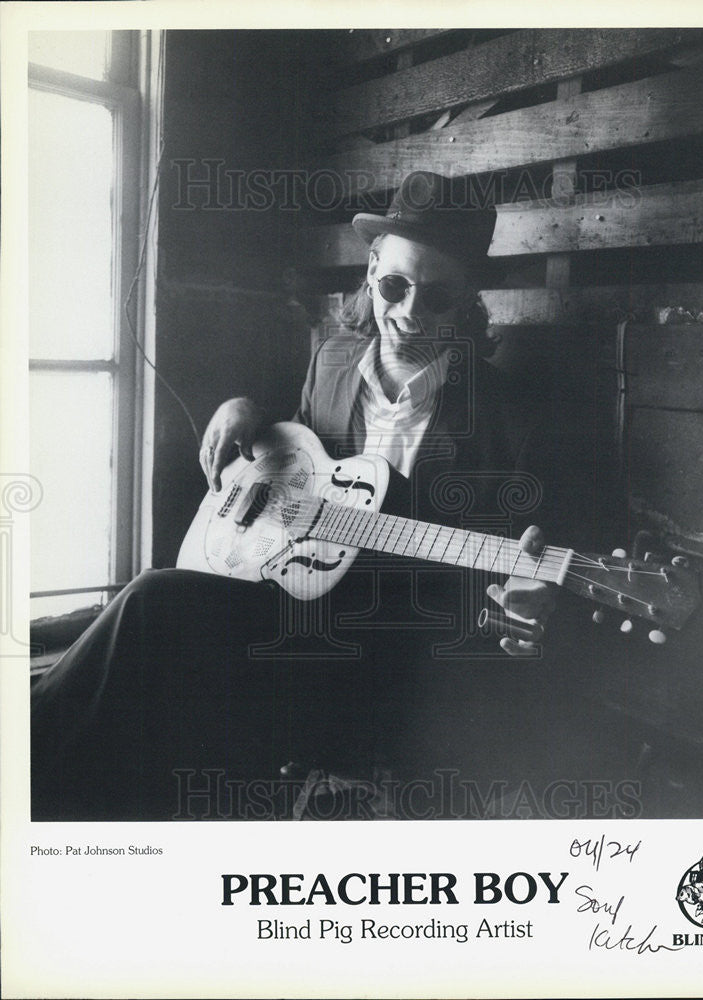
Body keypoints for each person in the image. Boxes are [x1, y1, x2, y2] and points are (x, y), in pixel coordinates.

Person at [31, 172, 561, 822]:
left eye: (437, 297)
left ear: (466, 298)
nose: (409, 315)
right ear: (371, 268)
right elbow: (306, 462)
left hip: (388, 657)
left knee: (151, 603)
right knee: (148, 669)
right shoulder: (333, 362)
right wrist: (242, 409)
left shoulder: (512, 416)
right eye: (394, 285)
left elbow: (526, 583)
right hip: (288, 603)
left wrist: (525, 609)